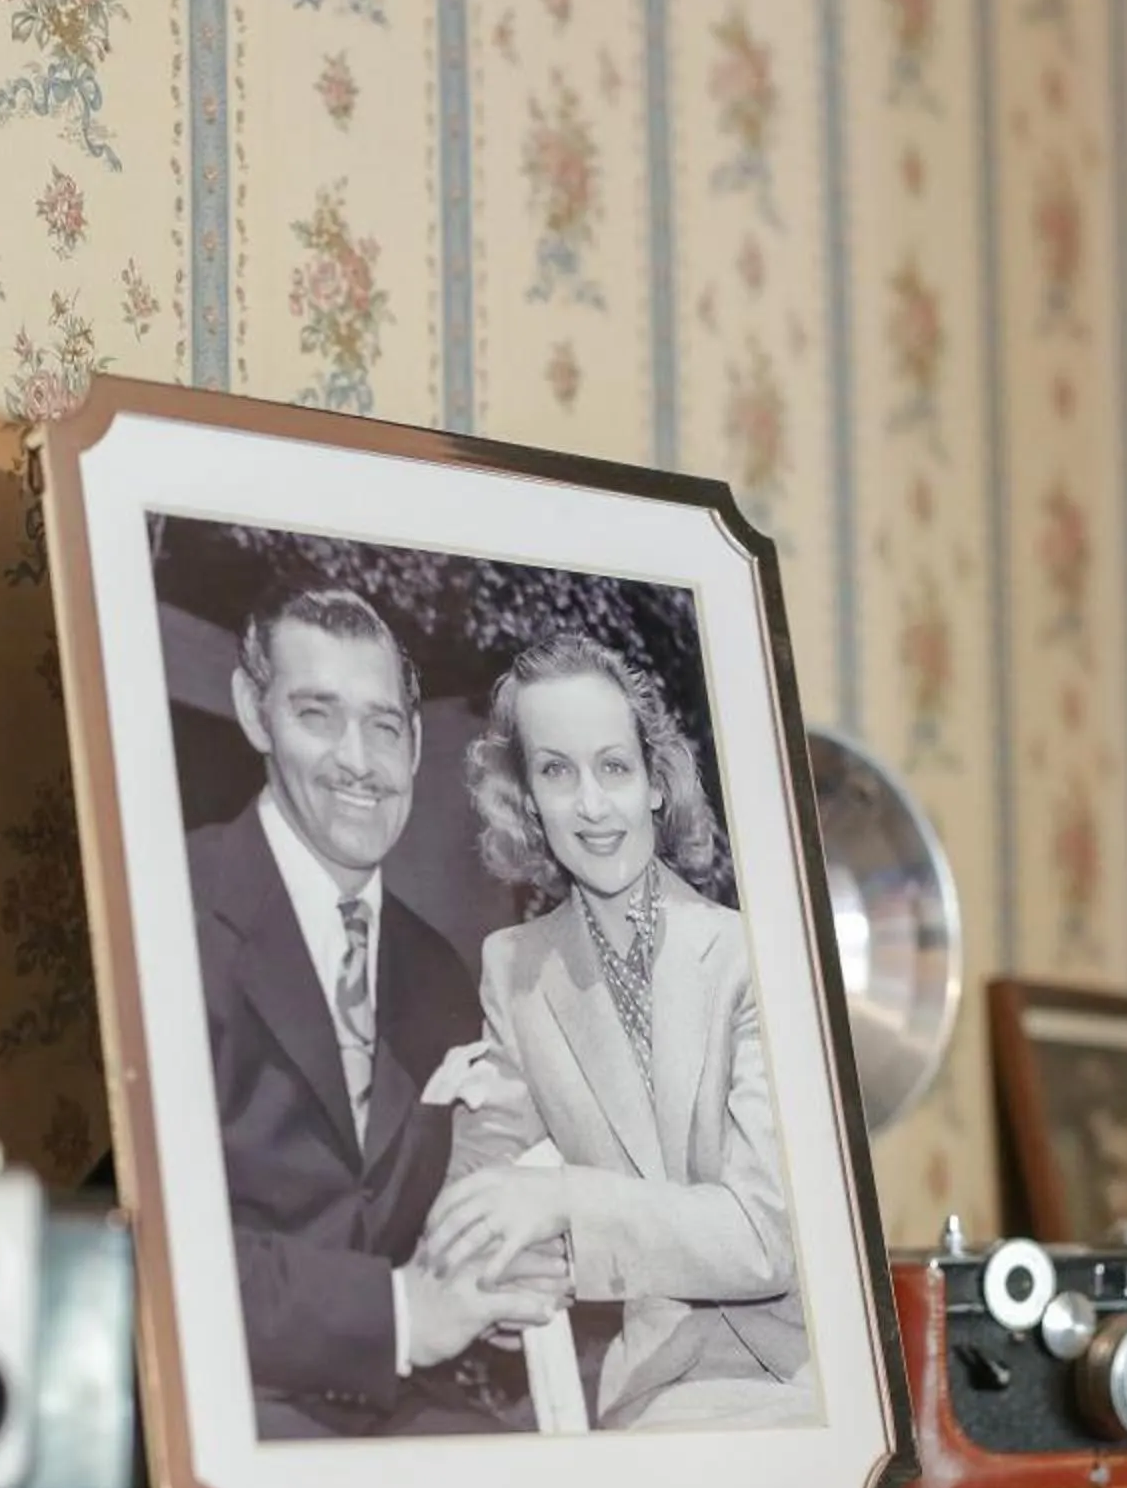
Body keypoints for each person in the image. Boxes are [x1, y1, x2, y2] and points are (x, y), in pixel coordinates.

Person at [187, 585, 565, 1439]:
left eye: (384, 726)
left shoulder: (436, 972)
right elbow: (162, 1257)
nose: (358, 761)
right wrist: (401, 1312)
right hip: (230, 1409)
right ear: (255, 712)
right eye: (317, 714)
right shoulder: (169, 913)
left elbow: (406, 1228)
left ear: (416, 741)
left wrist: (491, 1276)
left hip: (396, 1407)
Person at [419, 630, 818, 1431]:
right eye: (557, 772)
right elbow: (477, 1193)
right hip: (654, 1399)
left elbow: (762, 1236)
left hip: (807, 1390)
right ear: (527, 798)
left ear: (656, 784)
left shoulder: (754, 956)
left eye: (613, 767)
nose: (592, 807)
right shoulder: (516, 970)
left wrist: (565, 1201)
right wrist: (493, 1264)